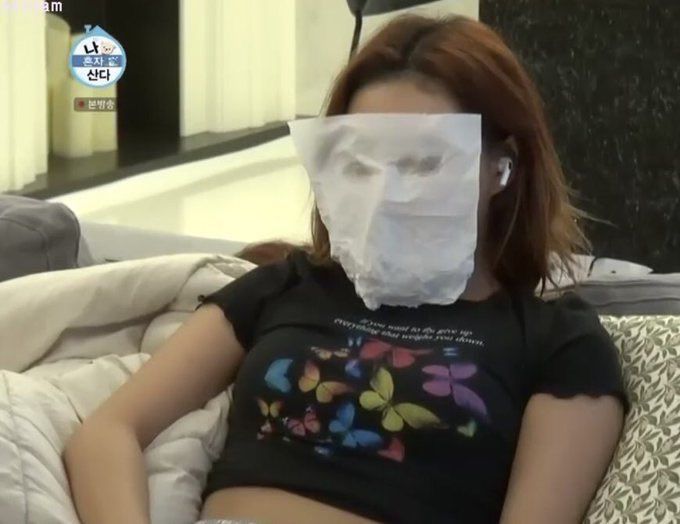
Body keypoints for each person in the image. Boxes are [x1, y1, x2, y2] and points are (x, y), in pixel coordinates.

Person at [63, 14, 628, 524]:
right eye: (360, 164)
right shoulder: (286, 286)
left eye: (422, 162)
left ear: (501, 169)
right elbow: (107, 433)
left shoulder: (556, 341)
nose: (386, 193)